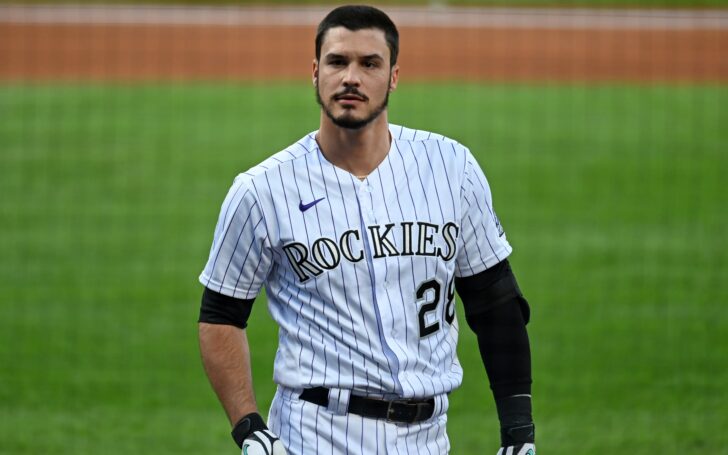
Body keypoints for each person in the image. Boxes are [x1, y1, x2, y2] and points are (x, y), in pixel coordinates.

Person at [198, 5, 535, 455]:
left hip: (429, 439)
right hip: (314, 436)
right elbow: (221, 314)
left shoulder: (452, 167)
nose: (351, 77)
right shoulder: (262, 190)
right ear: (315, 72)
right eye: (338, 62)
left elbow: (495, 303)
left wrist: (518, 431)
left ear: (393, 76)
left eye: (369, 63)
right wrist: (249, 427)